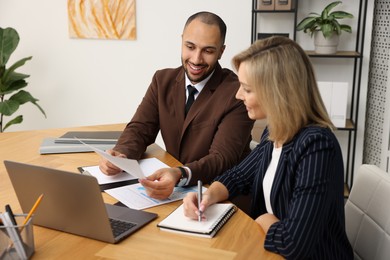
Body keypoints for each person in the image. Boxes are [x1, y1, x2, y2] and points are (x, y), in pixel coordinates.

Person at [183, 36, 353, 259]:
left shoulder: (317, 146)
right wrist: (207, 195)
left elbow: (293, 244)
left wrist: (262, 218)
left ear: (278, 92)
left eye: (247, 89)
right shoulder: (275, 132)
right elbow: (238, 176)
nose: (238, 95)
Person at [99, 11, 254, 199]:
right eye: (190, 47)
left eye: (208, 51)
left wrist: (180, 174)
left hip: (218, 194)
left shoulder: (238, 93)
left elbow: (221, 159)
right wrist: (122, 155)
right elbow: (140, 128)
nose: (196, 59)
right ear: (181, 41)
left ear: (221, 51)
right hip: (172, 187)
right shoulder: (162, 80)